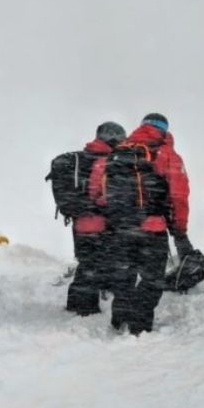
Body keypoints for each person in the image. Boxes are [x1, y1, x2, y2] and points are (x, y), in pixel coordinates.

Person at [97, 113, 191, 335]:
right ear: (164, 129)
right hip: (152, 228)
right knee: (152, 279)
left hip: (121, 227)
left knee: (125, 274)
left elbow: (101, 192)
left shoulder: (118, 153)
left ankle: (119, 318)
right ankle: (138, 326)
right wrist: (179, 228)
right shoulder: (166, 153)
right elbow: (179, 195)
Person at [65, 121, 126, 315]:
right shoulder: (104, 161)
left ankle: (75, 304)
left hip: (81, 223)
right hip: (98, 224)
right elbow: (99, 194)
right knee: (93, 266)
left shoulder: (88, 156)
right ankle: (86, 309)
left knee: (87, 265)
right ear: (112, 138)